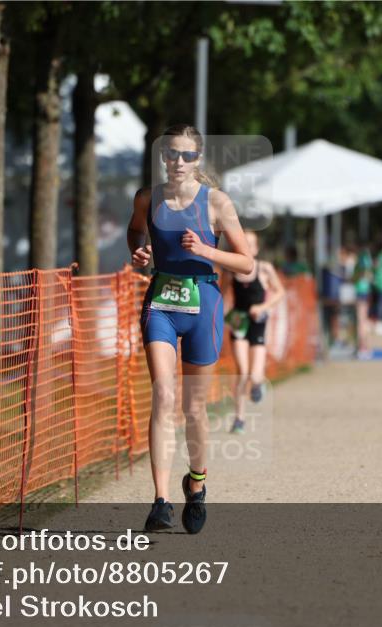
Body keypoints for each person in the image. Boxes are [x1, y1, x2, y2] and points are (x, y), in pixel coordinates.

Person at [127, 124, 254, 534]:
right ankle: (160, 501)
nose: (178, 162)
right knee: (163, 395)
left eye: (186, 156)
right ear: (162, 157)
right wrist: (139, 251)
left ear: (198, 160)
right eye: (171, 155)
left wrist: (205, 250)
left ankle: (196, 483)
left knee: (193, 408)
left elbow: (246, 263)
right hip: (161, 302)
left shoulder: (216, 202)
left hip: (204, 305)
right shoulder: (147, 198)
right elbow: (134, 233)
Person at [223, 230, 285, 434]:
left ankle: (258, 384)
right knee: (242, 370)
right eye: (243, 244)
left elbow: (280, 292)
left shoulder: (265, 269)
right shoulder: (230, 270)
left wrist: (263, 307)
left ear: (256, 249)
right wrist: (220, 317)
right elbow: (222, 296)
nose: (247, 248)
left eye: (251, 244)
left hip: (258, 321)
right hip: (239, 322)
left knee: (255, 375)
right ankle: (239, 419)